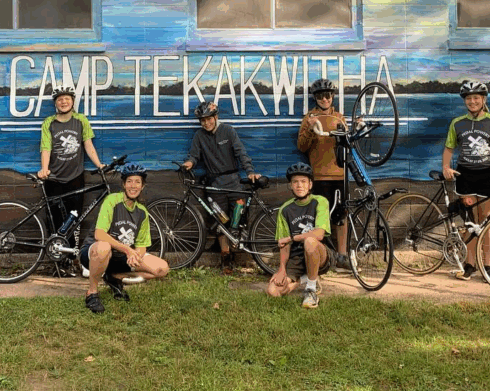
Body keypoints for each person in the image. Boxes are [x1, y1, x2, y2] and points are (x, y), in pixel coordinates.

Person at [442, 80, 490, 282]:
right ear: (465, 101)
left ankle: (488, 266)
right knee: (471, 221)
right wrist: (446, 167)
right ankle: (470, 264)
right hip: (466, 176)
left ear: (483, 100)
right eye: (468, 98)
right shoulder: (457, 123)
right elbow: (449, 148)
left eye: (476, 98)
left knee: (488, 220)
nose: (472, 102)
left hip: (489, 176)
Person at [180, 100, 260, 274]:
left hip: (233, 181)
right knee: (219, 222)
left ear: (216, 117)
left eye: (209, 119)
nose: (206, 123)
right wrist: (189, 163)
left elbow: (241, 152)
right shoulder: (199, 136)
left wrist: (250, 172)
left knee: (238, 215)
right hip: (214, 184)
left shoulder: (228, 131)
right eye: (202, 120)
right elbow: (194, 155)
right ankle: (226, 256)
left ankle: (239, 247)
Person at [80, 162, 169, 313]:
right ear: (123, 184)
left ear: (143, 186)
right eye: (129, 181)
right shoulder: (112, 201)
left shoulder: (142, 212)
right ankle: (92, 293)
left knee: (162, 268)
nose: (133, 186)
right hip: (93, 253)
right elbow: (99, 234)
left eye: (137, 182)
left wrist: (136, 256)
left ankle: (114, 276)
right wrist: (128, 250)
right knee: (104, 247)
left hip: (120, 257)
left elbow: (141, 245)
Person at [296, 78, 350, 269]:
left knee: (342, 215)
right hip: (319, 176)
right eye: (320, 96)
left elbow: (348, 145)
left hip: (340, 174)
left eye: (328, 95)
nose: (325, 99)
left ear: (332, 96)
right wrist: (311, 129)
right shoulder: (309, 117)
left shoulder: (340, 117)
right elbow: (301, 146)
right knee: (321, 218)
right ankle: (324, 257)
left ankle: (343, 256)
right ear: (315, 98)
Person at [37, 86, 104, 236]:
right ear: (55, 103)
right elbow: (46, 148)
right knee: (54, 217)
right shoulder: (49, 122)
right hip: (53, 178)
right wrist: (44, 168)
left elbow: (88, 144)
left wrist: (99, 165)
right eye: (60, 99)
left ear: (73, 101)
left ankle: (73, 254)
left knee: (75, 216)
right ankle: (56, 253)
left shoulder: (81, 120)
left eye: (67, 98)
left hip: (75, 177)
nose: (63, 102)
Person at [266, 163, 331, 308]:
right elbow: (284, 244)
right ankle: (304, 279)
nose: (299, 185)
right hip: (297, 258)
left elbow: (319, 234)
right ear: (290, 185)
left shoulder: (320, 202)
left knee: (310, 241)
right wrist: (282, 269)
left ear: (310, 184)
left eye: (303, 181)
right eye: (295, 182)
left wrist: (292, 238)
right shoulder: (285, 210)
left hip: (320, 254)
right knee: (273, 291)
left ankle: (311, 290)